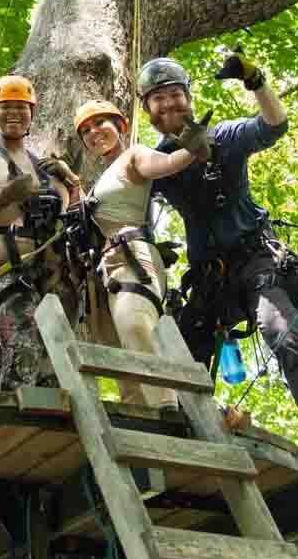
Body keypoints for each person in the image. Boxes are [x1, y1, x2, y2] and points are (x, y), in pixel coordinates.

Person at [137, 54, 298, 468]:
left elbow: (273, 126)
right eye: (158, 100)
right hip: (209, 277)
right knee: (179, 353)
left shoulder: (224, 136)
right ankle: (185, 437)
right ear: (148, 110)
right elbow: (131, 201)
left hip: (255, 259)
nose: (169, 105)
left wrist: (255, 80)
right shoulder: (157, 161)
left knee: (281, 329)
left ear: (190, 98)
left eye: (176, 95)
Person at [73, 99, 211, 408]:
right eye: (86, 131)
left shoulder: (134, 155)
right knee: (122, 355)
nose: (94, 133)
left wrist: (191, 150)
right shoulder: (100, 183)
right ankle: (140, 416)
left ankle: (167, 407)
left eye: (100, 124)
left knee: (135, 325)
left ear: (121, 126)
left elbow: (163, 164)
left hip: (131, 257)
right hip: (105, 269)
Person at [0, 75, 82, 387]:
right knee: (25, 347)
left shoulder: (46, 167)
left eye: (21, 107)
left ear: (32, 114)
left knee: (59, 361)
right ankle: (13, 418)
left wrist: (73, 183)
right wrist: (5, 195)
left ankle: (52, 431)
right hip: (5, 268)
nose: (13, 113)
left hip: (53, 271)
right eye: (5, 107)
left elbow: (80, 216)